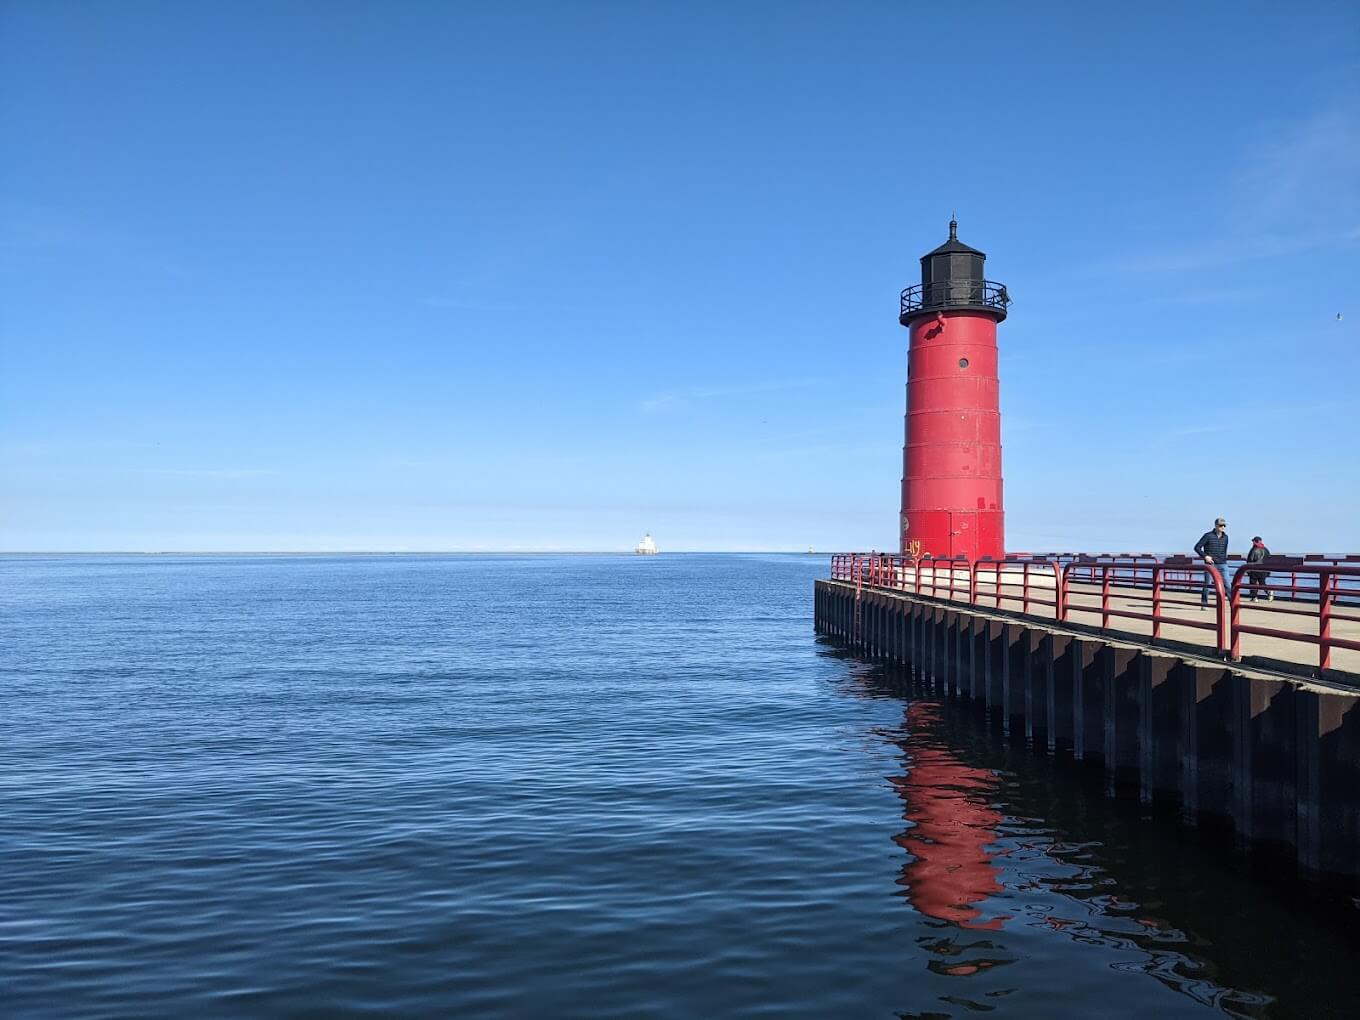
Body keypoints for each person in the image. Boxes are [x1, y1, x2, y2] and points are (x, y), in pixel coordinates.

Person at [1193, 517, 1229, 608]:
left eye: (1224, 525)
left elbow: (1224, 550)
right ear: (1216, 525)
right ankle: (1204, 604)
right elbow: (1197, 547)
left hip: (1222, 563)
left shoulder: (1226, 537)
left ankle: (1232, 603)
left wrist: (1224, 558)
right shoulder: (1208, 536)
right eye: (1221, 525)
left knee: (1227, 584)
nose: (1223, 527)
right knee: (1207, 584)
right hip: (1210, 564)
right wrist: (1205, 556)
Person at [1245, 535, 1272, 601]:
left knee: (1253, 583)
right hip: (1263, 569)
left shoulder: (1253, 549)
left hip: (1254, 569)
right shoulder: (1266, 549)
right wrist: (1268, 570)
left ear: (1255, 542)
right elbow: (1269, 560)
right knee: (1262, 582)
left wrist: (1247, 569)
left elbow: (1250, 560)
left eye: (1253, 541)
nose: (1252, 543)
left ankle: (1254, 597)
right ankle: (1268, 591)